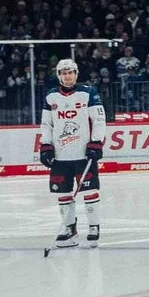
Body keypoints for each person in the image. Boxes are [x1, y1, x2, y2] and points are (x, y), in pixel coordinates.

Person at [39, 57, 107, 247]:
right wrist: (45, 146)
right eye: (63, 73)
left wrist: (96, 142)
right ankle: (69, 228)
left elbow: (99, 120)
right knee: (62, 191)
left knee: (90, 189)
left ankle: (94, 226)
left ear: (76, 74)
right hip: (61, 154)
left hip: (83, 152)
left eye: (70, 72)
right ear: (59, 76)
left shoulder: (88, 93)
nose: (67, 76)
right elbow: (46, 124)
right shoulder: (51, 96)